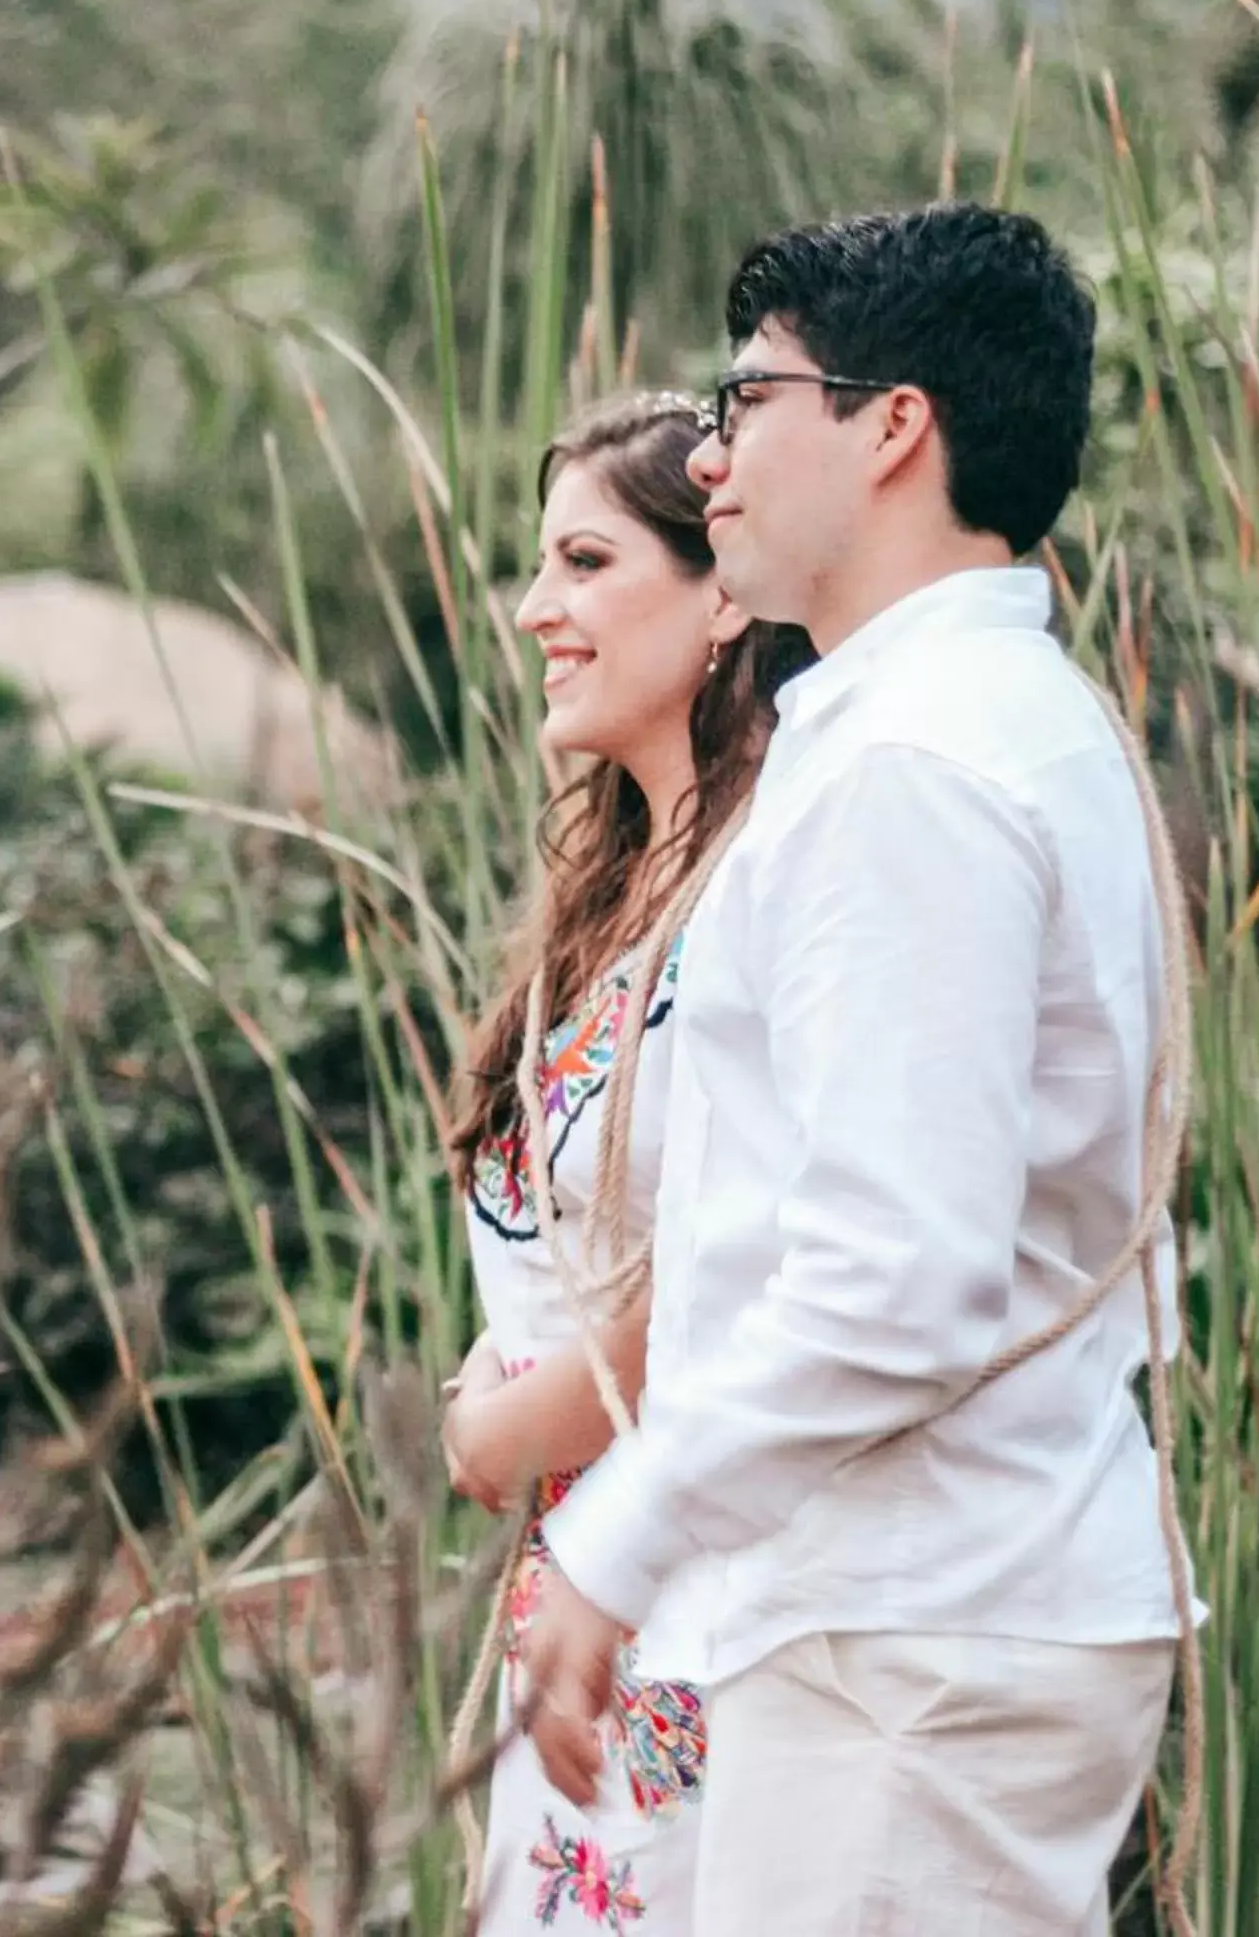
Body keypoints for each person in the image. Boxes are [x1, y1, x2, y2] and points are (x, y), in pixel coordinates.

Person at [515, 201, 1198, 1935]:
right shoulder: (975, 729)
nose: (716, 458)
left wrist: (619, 1533)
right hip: (933, 1606)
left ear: (895, 427)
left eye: (747, 403)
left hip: (917, 1621)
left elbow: (896, 1277)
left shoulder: (921, 768)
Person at [439, 393, 813, 1933]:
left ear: (723, 593)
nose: (538, 612)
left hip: (701, 1592)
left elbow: (774, 1239)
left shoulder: (772, 868)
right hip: (580, 1589)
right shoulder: (619, 888)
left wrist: (508, 1425)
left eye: (586, 563)